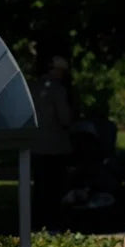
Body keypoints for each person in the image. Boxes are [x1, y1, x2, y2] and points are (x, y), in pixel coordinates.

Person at [29, 54, 74, 229]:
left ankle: (37, 221)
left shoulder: (33, 87)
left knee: (40, 186)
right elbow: (65, 118)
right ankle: (53, 221)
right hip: (55, 146)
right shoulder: (57, 90)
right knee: (54, 187)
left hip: (35, 146)